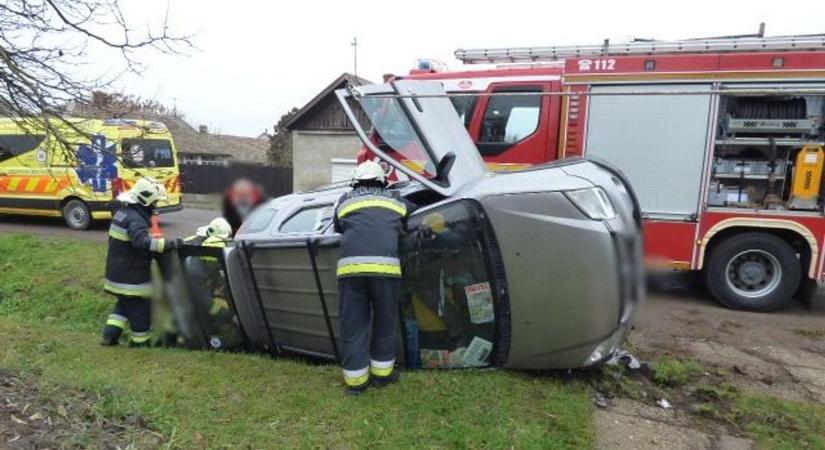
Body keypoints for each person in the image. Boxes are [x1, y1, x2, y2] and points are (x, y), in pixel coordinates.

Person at [333, 160, 414, 395]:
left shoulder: (345, 200)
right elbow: (414, 214)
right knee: (385, 323)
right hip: (386, 273)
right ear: (383, 180)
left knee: (354, 324)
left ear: (355, 181)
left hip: (351, 273)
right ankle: (382, 376)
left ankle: (357, 384)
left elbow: (338, 227)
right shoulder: (396, 200)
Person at [101, 177, 182, 347]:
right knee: (140, 310)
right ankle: (140, 343)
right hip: (130, 277)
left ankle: (109, 335)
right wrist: (167, 245)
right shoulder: (136, 219)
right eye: (155, 201)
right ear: (145, 201)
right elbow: (141, 241)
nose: (155, 205)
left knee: (124, 305)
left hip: (117, 273)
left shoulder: (124, 213)